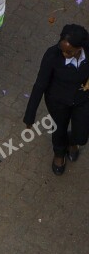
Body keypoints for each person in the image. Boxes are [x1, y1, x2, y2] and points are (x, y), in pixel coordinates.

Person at [23, 24, 89, 175]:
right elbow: (40, 85)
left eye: (69, 51)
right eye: (62, 49)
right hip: (57, 101)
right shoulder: (52, 55)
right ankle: (59, 154)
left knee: (82, 133)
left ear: (80, 48)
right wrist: (30, 115)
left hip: (83, 99)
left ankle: (73, 142)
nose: (64, 54)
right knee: (59, 129)